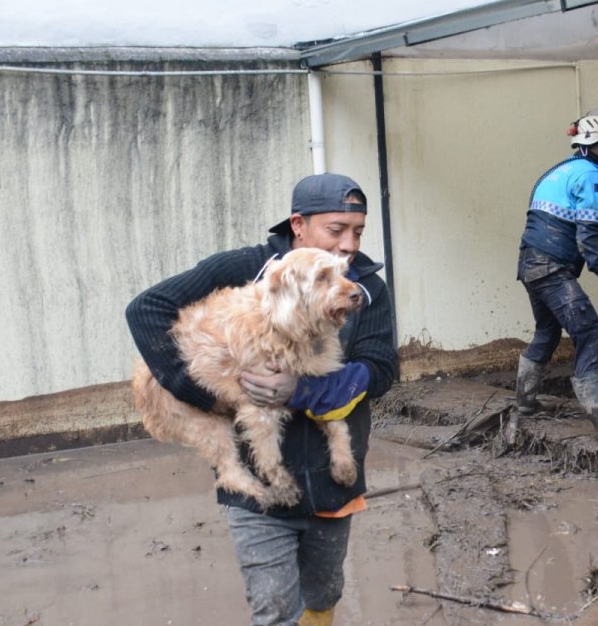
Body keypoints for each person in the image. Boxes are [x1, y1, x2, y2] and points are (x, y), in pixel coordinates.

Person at [126, 173, 398, 625]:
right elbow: (146, 310)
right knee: (272, 608)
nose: (349, 244)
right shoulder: (247, 269)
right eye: (336, 230)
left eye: (358, 231)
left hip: (333, 484)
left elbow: (381, 369)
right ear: (299, 224)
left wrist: (303, 390)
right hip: (259, 489)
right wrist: (198, 392)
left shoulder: (365, 288)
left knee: (324, 592)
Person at [514, 115, 598, 439]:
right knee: (587, 330)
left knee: (547, 330)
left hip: (530, 263)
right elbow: (588, 236)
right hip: (552, 268)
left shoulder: (558, 171)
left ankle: (525, 401)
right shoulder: (592, 176)